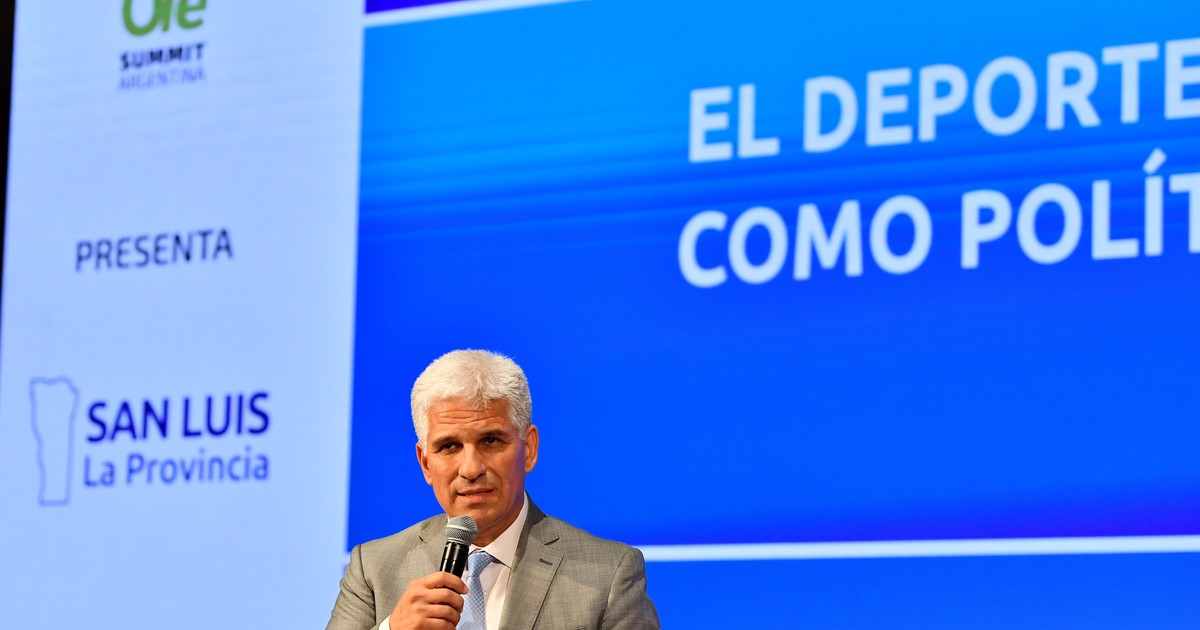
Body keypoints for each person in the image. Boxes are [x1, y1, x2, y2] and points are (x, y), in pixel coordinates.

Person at [326, 349, 660, 630]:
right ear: (425, 463)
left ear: (528, 449)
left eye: (490, 440)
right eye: (449, 446)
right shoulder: (373, 568)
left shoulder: (609, 574)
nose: (471, 468)